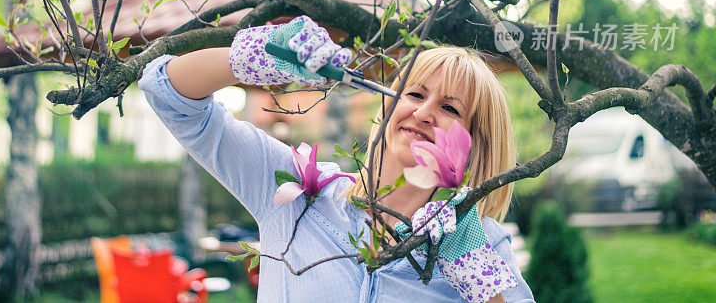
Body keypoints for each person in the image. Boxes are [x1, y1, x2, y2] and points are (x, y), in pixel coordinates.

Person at [138, 16, 535, 302]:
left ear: (475, 144)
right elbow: (166, 94)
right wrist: (257, 56)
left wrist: (479, 281)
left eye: (450, 108)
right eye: (414, 94)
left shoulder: (478, 243)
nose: (424, 112)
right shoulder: (294, 193)